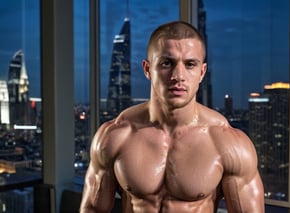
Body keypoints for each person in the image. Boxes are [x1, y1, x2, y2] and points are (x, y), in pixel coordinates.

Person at [80, 20, 265, 212]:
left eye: (190, 64)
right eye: (167, 63)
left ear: (202, 73)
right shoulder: (115, 136)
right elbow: (93, 208)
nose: (178, 75)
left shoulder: (228, 144)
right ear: (147, 69)